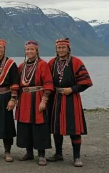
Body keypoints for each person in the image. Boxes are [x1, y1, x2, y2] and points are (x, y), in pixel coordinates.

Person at [47, 38, 93, 167]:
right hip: (55, 98)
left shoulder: (76, 62)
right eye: (59, 48)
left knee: (74, 128)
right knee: (56, 128)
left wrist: (72, 89)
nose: (61, 50)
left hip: (71, 99)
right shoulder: (52, 63)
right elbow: (47, 80)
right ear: (56, 49)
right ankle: (58, 154)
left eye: (63, 48)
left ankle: (77, 157)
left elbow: (86, 82)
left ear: (68, 49)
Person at [15, 41, 54, 166]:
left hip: (38, 98)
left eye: (32, 50)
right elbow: (17, 84)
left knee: (40, 126)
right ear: (25, 51)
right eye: (27, 50)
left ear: (37, 51)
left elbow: (48, 83)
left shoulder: (43, 65)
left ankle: (41, 155)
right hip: (24, 99)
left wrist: (44, 100)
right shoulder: (21, 66)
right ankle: (29, 152)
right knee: (25, 126)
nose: (29, 52)